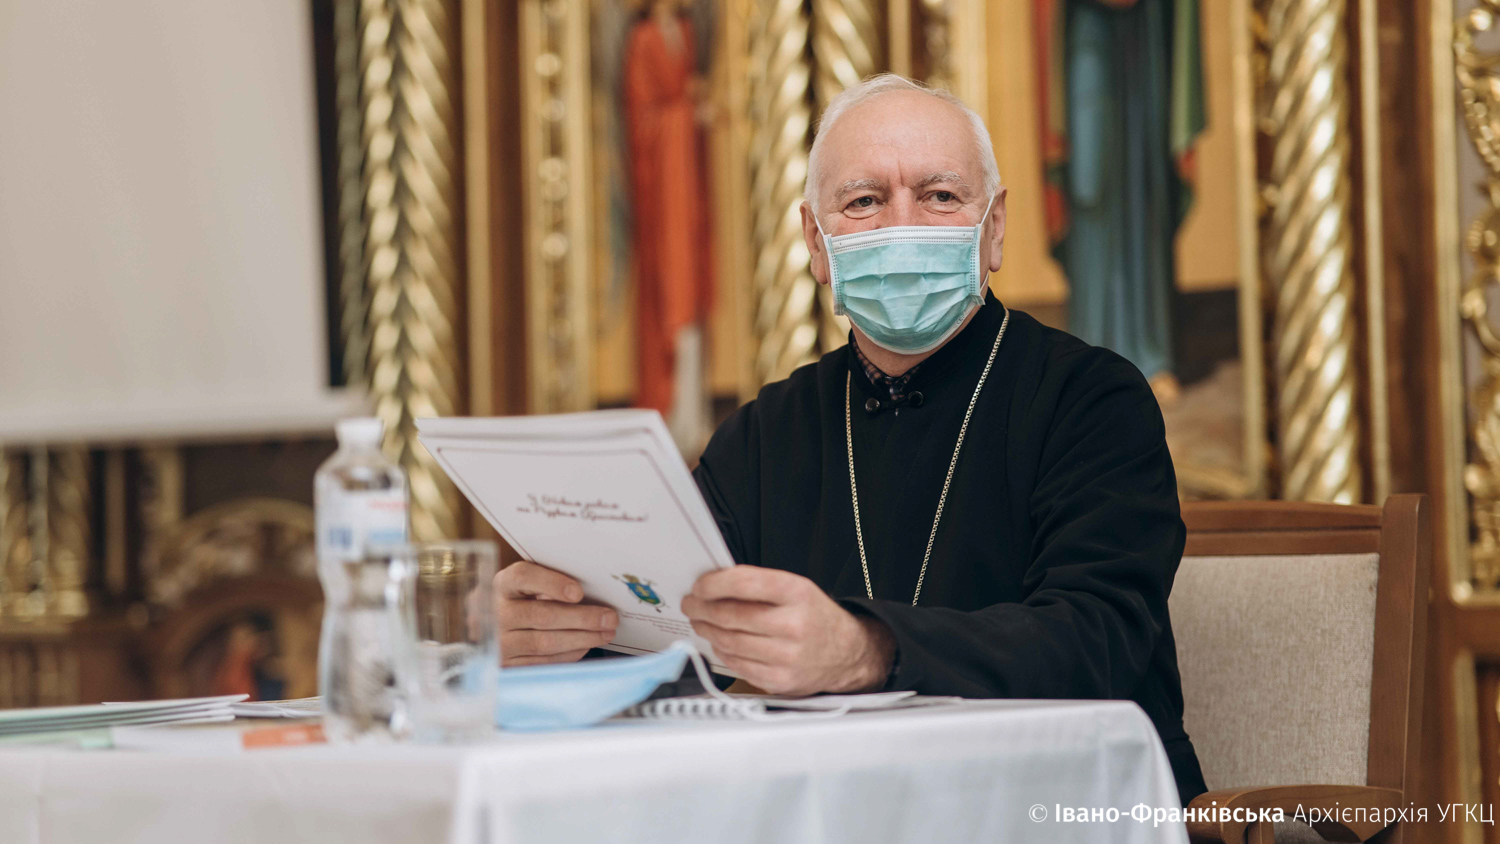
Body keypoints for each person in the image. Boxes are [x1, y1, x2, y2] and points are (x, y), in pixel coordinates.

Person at [494, 73, 1206, 804]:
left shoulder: (1093, 399)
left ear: (994, 227)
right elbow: (676, 635)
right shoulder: (766, 434)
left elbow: (1098, 641)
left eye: (940, 196)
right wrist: (564, 639)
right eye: (865, 202)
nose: (903, 227)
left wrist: (867, 650)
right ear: (817, 243)